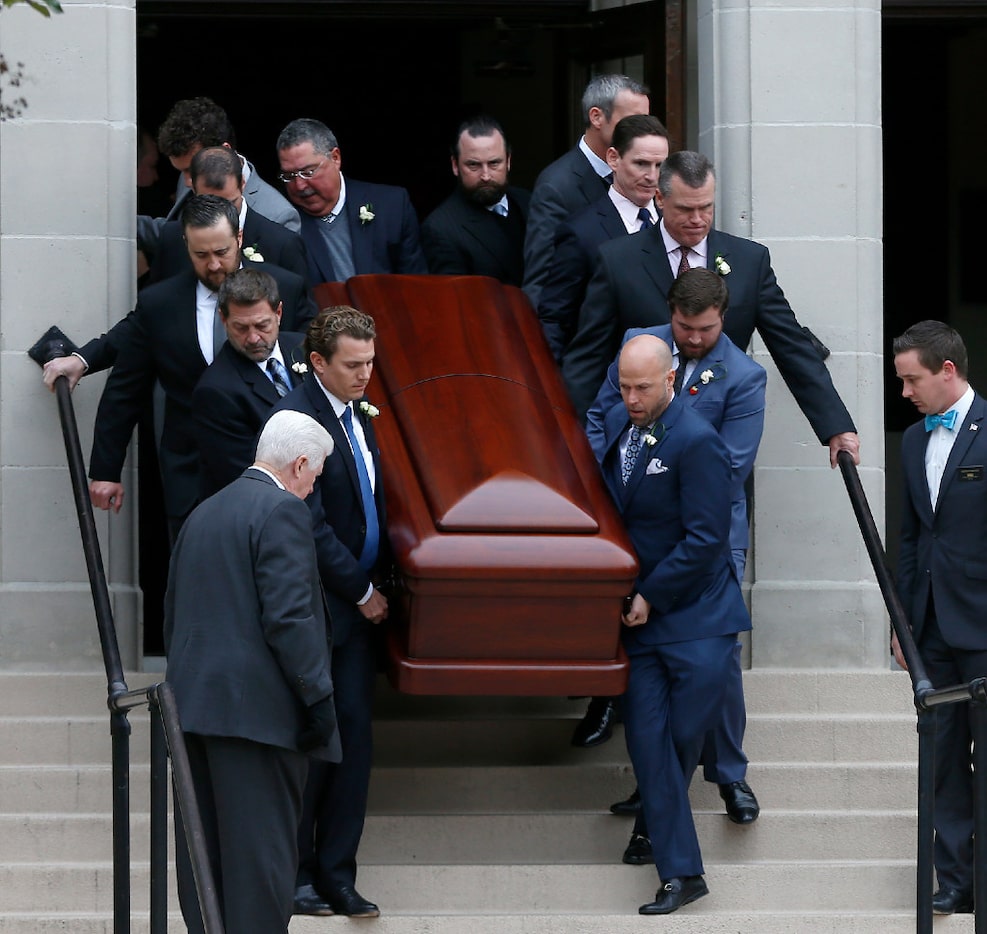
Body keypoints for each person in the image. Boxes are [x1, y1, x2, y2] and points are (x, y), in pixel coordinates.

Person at [584, 268, 767, 860]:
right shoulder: (640, 349)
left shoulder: (742, 375)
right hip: (643, 536)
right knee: (657, 710)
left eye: (704, 329)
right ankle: (659, 801)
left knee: (711, 673)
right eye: (683, 327)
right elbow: (603, 416)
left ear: (723, 320)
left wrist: (672, 453)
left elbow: (727, 466)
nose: (693, 338)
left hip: (705, 531)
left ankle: (729, 773)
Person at [561, 151, 860, 470]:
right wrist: (570, 439)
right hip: (636, 445)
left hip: (721, 440)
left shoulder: (749, 261)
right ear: (660, 199)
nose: (698, 219)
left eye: (706, 207)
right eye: (686, 209)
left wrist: (835, 425)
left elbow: (791, 345)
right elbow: (588, 358)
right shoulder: (618, 260)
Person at [39, 195, 316, 537]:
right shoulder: (161, 304)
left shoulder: (285, 287)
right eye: (201, 255)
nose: (214, 265)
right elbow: (126, 387)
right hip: (192, 474)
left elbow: (312, 371)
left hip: (279, 467)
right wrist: (106, 471)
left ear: (240, 239)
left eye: (222, 252)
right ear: (186, 244)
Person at [165, 409, 339, 934]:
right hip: (259, 719)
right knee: (260, 867)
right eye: (316, 476)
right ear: (301, 463)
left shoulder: (204, 512)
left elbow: (176, 612)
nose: (313, 489)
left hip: (194, 711)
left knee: (207, 865)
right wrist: (318, 698)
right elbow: (290, 618)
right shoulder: (282, 510)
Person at [597, 334, 749, 914]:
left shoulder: (697, 441)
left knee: (680, 739)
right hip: (640, 625)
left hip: (697, 620)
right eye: (624, 386)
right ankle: (681, 874)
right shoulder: (618, 424)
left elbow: (707, 539)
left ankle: (655, 827)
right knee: (649, 744)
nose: (630, 398)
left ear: (670, 380)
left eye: (642, 387)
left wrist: (651, 597)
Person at [271, 307, 389, 918]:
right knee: (317, 745)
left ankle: (339, 873)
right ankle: (296, 874)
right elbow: (309, 524)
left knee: (355, 746)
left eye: (370, 362)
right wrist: (363, 590)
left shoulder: (356, 411)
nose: (367, 374)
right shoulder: (298, 418)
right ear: (318, 362)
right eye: (353, 364)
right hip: (323, 609)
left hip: (355, 617)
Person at [892, 320, 987, 916]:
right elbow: (909, 539)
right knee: (944, 760)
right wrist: (903, 625)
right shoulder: (910, 440)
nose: (905, 392)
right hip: (931, 628)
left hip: (983, 624)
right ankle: (954, 881)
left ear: (947, 371)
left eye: (912, 380)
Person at [537, 113, 668, 362]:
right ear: (613, 159)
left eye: (660, 165)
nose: (652, 176)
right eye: (641, 163)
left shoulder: (673, 222)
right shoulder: (580, 232)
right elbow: (555, 319)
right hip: (605, 384)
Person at [521, 74, 650, 309]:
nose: (642, 133)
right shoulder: (557, 187)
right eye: (633, 121)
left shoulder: (646, 176)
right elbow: (541, 283)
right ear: (597, 117)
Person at [193, 267, 307, 498]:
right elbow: (249, 481)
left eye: (262, 325)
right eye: (241, 328)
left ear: (279, 313)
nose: (253, 338)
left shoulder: (306, 350)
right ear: (223, 319)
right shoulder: (216, 391)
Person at [138, 97, 300, 254]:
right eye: (182, 171)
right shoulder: (188, 180)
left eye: (191, 169)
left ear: (225, 151)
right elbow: (171, 235)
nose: (188, 181)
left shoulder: (277, 215)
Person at [276, 118, 427, 285]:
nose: (300, 185)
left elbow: (416, 285)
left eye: (308, 172)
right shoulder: (283, 225)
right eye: (289, 176)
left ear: (335, 158)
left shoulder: (391, 206)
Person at [147, 145, 310, 287]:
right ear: (194, 191)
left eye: (230, 203)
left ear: (243, 184)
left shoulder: (282, 244)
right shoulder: (171, 237)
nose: (221, 213)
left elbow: (300, 314)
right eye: (210, 202)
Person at [420, 115, 530, 286]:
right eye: (473, 165)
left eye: (494, 163)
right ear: (455, 165)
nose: (485, 176)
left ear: (508, 161)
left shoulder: (528, 202)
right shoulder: (441, 229)